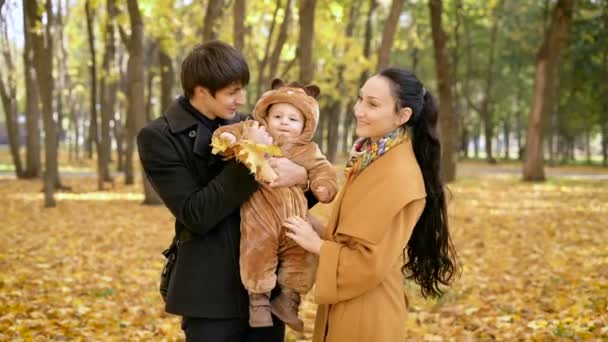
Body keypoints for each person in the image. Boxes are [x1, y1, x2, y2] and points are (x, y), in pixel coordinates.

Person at [137, 40, 316, 342]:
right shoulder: (159, 137)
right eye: (233, 92)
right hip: (209, 292)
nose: (241, 99)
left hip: (264, 289)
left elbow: (286, 201)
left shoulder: (250, 125)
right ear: (202, 90)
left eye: (243, 89)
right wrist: (253, 157)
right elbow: (197, 214)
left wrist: (303, 177)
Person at [283, 67, 458, 342]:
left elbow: (368, 263)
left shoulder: (398, 174)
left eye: (372, 104)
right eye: (360, 99)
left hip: (367, 315)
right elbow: (354, 237)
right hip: (349, 304)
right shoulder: (373, 158)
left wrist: (315, 245)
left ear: (403, 116)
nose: (359, 110)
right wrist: (314, 227)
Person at [211, 79, 338, 331]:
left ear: (305, 125)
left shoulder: (308, 150)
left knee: (302, 255)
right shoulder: (255, 132)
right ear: (266, 117)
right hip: (261, 214)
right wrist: (227, 136)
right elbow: (229, 138)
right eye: (278, 115)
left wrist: (322, 185)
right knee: (258, 251)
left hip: (295, 218)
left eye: (293, 119)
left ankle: (289, 299)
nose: (284, 122)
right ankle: (258, 300)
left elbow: (323, 170)